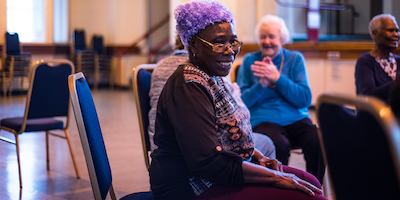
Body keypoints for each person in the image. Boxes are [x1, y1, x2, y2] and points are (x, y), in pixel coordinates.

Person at [149, 1, 325, 200]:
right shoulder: (189, 85)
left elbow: (230, 134)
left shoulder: (213, 75)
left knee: (312, 182)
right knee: (307, 195)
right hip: (191, 186)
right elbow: (209, 162)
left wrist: (259, 156)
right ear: (195, 45)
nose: (230, 50)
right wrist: (275, 177)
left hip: (217, 173)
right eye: (219, 42)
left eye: (233, 41)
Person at [148, 36, 277, 157]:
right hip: (202, 151)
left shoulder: (159, 67)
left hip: (159, 146)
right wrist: (236, 95)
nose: (228, 51)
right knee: (267, 143)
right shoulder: (210, 68)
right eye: (219, 43)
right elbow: (234, 120)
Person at [236, 14, 325, 183]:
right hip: (263, 119)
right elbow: (242, 103)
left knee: (317, 139)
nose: (267, 41)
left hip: (296, 118)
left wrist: (277, 79)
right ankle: (280, 186)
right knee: (278, 144)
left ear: (282, 38)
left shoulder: (294, 59)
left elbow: (304, 99)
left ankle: (316, 186)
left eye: (271, 36)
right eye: (263, 37)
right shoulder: (249, 61)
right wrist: (261, 84)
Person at [355, 14, 399, 104]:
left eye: (397, 31)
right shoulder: (365, 61)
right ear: (375, 33)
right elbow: (367, 96)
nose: (396, 34)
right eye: (390, 30)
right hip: (377, 116)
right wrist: (397, 84)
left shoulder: (398, 60)